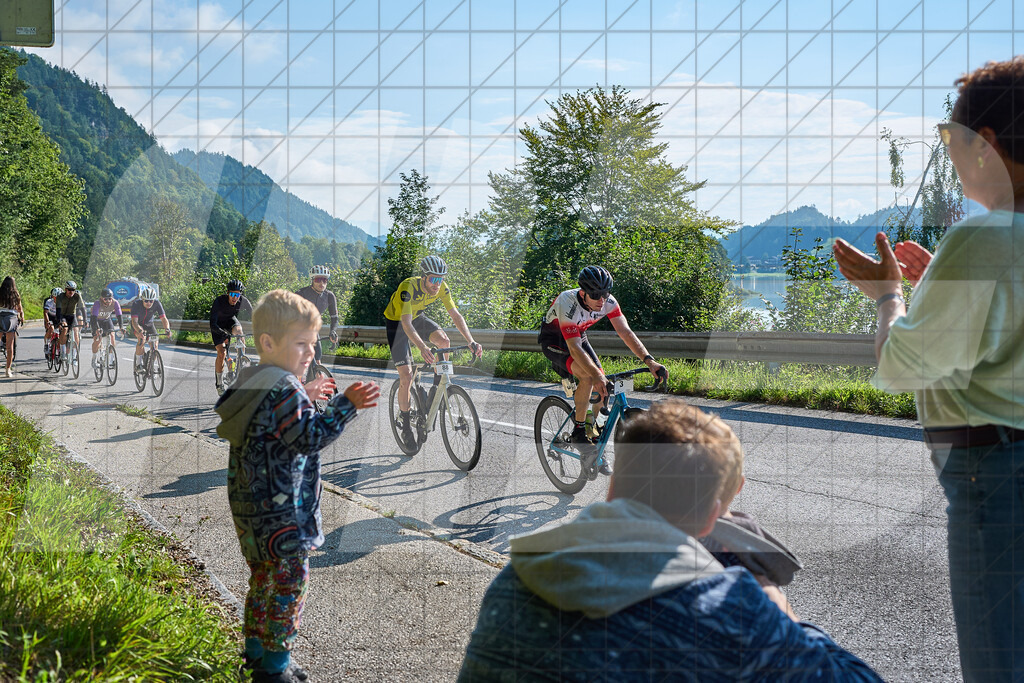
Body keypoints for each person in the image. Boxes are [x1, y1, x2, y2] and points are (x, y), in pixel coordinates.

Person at [458, 399, 883, 681]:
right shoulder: (731, 612)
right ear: (715, 516)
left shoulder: (518, 579)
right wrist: (773, 601)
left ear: (612, 486)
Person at [833, 57, 1024, 682]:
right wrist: (936, 283)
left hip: (993, 477)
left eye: (956, 142)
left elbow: (902, 364)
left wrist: (890, 293)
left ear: (987, 144)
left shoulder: (983, 239)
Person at [214, 290, 380, 683]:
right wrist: (346, 406)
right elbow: (308, 437)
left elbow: (268, 422)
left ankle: (256, 654)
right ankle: (274, 668)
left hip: (250, 512)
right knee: (288, 589)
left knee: (262, 583)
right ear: (269, 343)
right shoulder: (285, 387)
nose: (310, 352)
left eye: (313, 343)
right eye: (301, 344)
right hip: (284, 514)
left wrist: (302, 393)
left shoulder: (254, 379)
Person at [538, 265, 668, 473]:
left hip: (578, 336)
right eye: (596, 295)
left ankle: (595, 445)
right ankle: (580, 432)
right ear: (583, 293)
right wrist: (597, 375)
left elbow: (625, 332)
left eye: (605, 294)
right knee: (590, 378)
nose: (601, 300)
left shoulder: (608, 302)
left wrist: (649, 360)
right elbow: (573, 348)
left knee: (604, 389)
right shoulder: (567, 302)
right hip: (556, 341)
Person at [383, 255, 483, 448]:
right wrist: (422, 347)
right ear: (423, 277)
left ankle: (437, 386)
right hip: (397, 322)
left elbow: (455, 314)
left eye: (441, 278)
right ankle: (405, 425)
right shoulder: (408, 287)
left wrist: (471, 341)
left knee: (444, 341)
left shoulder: (442, 288)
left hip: (418, 317)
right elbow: (405, 322)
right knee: (406, 376)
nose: (438, 284)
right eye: (434, 279)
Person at [211, 279, 254, 394]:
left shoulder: (243, 301)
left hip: (230, 321)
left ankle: (241, 359)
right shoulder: (219, 301)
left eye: (237, 294)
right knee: (222, 353)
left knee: (240, 332)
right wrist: (222, 333)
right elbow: (213, 323)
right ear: (227, 293)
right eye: (232, 294)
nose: (235, 298)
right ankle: (219, 384)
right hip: (218, 325)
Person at [130, 286, 171, 370]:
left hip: (149, 324)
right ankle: (138, 365)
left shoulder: (157, 303)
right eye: (146, 301)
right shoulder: (136, 304)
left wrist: (167, 329)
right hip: (138, 325)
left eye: (151, 301)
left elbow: (163, 318)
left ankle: (150, 366)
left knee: (155, 345)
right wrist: (140, 331)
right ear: (142, 299)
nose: (149, 303)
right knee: (142, 340)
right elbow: (134, 322)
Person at [89, 287, 124, 370]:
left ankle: (111, 359)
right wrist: (97, 329)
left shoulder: (115, 303)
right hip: (96, 320)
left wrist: (121, 327)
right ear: (101, 298)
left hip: (106, 320)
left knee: (112, 335)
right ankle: (94, 358)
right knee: (98, 339)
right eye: (105, 299)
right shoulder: (97, 303)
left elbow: (119, 316)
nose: (108, 301)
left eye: (109, 299)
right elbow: (94, 317)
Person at [0, 276, 24, 377]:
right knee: (10, 346)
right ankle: (8, 370)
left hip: (0, 317)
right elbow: (20, 309)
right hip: (11, 319)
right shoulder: (15, 294)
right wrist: (22, 317)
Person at [56, 279, 86, 351]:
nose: (71, 292)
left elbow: (83, 308)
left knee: (76, 332)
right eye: (69, 290)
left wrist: (85, 320)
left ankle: (75, 355)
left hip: (72, 315)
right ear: (65, 289)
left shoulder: (77, 296)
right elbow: (58, 310)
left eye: (73, 290)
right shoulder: (60, 296)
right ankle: (63, 350)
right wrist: (59, 321)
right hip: (62, 315)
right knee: (65, 328)